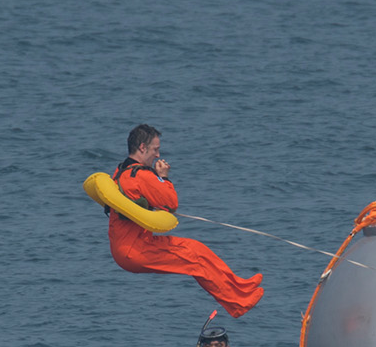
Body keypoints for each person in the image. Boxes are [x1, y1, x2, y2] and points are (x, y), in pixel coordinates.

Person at [106, 124, 264, 317]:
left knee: (198, 249)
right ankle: (238, 304)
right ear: (142, 148)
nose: (157, 155)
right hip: (135, 250)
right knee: (195, 260)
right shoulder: (140, 175)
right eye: (155, 149)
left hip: (129, 247)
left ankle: (241, 287)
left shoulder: (121, 170)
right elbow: (171, 203)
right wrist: (164, 177)